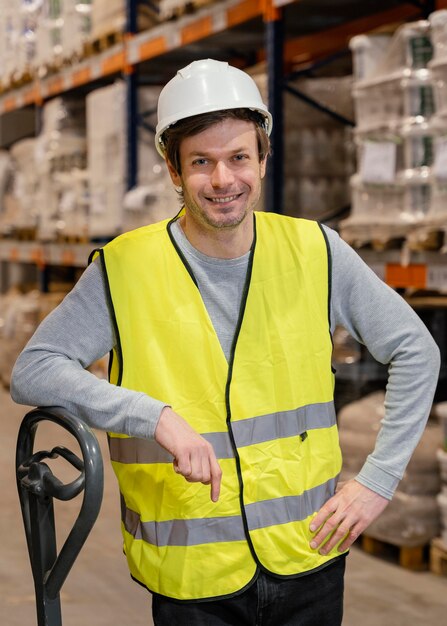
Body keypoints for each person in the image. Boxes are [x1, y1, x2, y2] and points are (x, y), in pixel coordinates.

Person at [11, 59, 440, 626]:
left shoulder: (316, 251)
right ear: (173, 169)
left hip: (308, 554)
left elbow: (417, 351)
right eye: (201, 162)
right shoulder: (126, 268)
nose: (223, 181)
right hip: (193, 574)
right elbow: (33, 369)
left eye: (239, 157)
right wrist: (152, 415)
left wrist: (378, 481)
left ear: (262, 158)